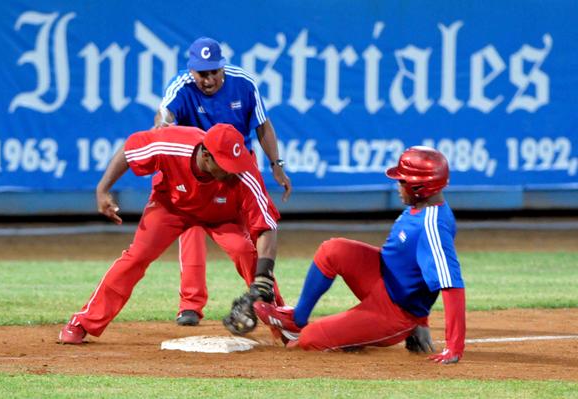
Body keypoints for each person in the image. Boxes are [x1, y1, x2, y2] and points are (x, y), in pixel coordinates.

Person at [58, 123, 282, 344]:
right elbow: (130, 149)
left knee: (246, 251)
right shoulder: (172, 144)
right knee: (137, 256)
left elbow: (266, 225)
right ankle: (83, 322)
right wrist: (102, 189)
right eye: (224, 164)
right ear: (206, 156)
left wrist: (263, 276)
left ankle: (283, 325)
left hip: (223, 216)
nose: (231, 169)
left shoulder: (243, 171)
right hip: (171, 207)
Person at [254, 146, 466, 364]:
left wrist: (452, 346)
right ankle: (297, 319)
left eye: (403, 181)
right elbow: (410, 266)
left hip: (395, 312)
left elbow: (452, 286)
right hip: (381, 275)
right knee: (332, 249)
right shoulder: (422, 205)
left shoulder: (433, 226)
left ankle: (336, 335)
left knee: (310, 339)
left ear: (419, 187)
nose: (398, 185)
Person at [154, 37, 292, 326]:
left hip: (236, 170)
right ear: (191, 71)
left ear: (222, 67)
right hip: (197, 172)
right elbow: (165, 114)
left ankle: (271, 305)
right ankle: (190, 305)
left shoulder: (243, 83)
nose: (209, 79)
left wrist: (276, 165)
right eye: (202, 73)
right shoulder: (182, 86)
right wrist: (163, 125)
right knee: (190, 227)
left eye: (214, 71)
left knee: (246, 243)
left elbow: (262, 125)